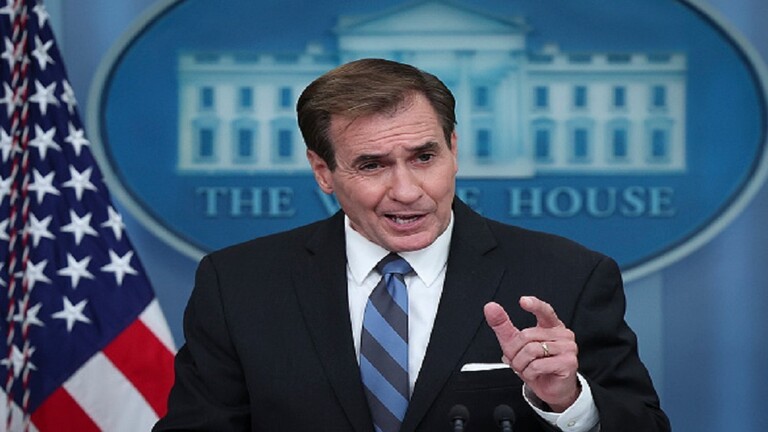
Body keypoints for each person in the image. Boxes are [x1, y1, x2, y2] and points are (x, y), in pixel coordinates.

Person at [154, 58, 670, 431]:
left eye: (424, 157)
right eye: (372, 165)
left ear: (453, 149)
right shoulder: (238, 284)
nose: (406, 190)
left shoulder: (568, 275)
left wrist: (569, 402)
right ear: (323, 171)